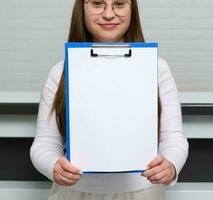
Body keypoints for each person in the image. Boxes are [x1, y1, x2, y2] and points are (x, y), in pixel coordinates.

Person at [30, 0, 189, 199]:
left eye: (119, 4)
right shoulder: (60, 71)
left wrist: (171, 165)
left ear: (132, 10)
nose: (108, 14)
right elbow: (44, 143)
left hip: (141, 192)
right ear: (82, 9)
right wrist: (53, 166)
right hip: (73, 193)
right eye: (97, 4)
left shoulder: (157, 68)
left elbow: (173, 138)